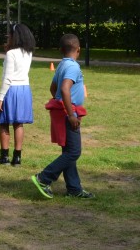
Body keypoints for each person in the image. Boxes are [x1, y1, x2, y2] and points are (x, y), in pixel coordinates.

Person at [30, 34, 94, 199]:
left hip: (63, 112)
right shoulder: (73, 67)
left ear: (61, 50)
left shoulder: (62, 65)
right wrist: (70, 113)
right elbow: (65, 89)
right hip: (68, 114)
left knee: (68, 151)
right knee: (74, 152)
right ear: (78, 50)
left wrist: (60, 103)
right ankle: (43, 178)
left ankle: (74, 189)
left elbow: (53, 88)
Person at [0, 23, 35, 166]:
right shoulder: (28, 53)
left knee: (4, 122)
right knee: (19, 123)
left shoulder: (11, 54)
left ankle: (4, 156)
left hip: (11, 90)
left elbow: (8, 77)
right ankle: (17, 157)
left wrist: (1, 97)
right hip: (24, 89)